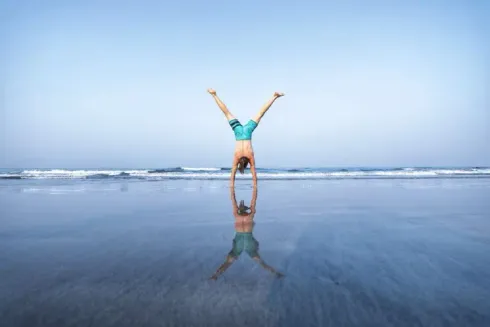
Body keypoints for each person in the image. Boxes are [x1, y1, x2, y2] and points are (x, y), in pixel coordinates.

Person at [207, 89, 284, 186]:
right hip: (238, 131)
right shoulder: (237, 156)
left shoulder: (249, 156)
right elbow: (232, 176)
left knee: (260, 114)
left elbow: (253, 175)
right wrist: (232, 186)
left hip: (247, 132)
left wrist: (254, 186)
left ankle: (275, 96)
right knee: (227, 113)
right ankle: (214, 95)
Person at [209, 186, 284, 280]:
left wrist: (233, 175)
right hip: (249, 242)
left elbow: (233, 197)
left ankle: (215, 275)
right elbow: (254, 197)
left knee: (228, 263)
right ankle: (275, 273)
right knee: (261, 262)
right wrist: (254, 178)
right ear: (246, 209)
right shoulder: (250, 216)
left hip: (239, 242)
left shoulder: (236, 216)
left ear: (239, 210)